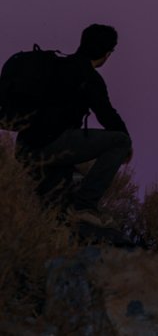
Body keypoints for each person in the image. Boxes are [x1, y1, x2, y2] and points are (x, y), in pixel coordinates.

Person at [15, 24, 132, 227]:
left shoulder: (54, 65)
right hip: (50, 146)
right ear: (107, 53)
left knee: (55, 208)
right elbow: (108, 117)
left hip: (25, 147)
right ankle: (85, 205)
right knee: (120, 142)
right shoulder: (89, 77)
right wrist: (127, 144)